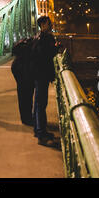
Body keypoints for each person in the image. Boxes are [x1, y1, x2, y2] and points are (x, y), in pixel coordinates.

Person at [30, 16, 59, 146]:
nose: (51, 25)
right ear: (43, 24)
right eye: (49, 23)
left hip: (38, 74)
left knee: (38, 104)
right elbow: (46, 54)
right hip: (42, 75)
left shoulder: (37, 37)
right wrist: (55, 47)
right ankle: (41, 134)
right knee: (41, 104)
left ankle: (39, 130)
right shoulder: (44, 38)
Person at [11, 37, 35, 126]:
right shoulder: (27, 54)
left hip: (21, 78)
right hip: (25, 78)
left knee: (23, 99)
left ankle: (26, 118)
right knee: (27, 98)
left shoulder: (19, 58)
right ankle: (27, 119)